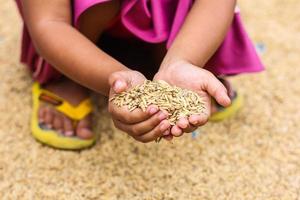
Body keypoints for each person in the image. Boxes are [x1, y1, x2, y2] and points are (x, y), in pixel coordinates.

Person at [15, 0, 263, 149]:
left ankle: (168, 59)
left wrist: (184, 60)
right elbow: (49, 22)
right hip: (75, 25)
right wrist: (116, 79)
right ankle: (69, 76)